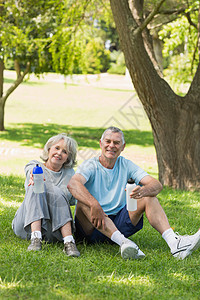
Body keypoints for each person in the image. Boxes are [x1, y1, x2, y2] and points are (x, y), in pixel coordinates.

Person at [67, 126, 200, 260]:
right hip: (91, 226)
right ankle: (125, 243)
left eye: (116, 143)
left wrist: (143, 191)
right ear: (101, 144)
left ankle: (174, 244)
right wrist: (94, 204)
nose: (111, 146)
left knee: (150, 197)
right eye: (108, 141)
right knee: (84, 203)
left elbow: (156, 185)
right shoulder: (91, 165)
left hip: (119, 222)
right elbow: (73, 184)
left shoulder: (126, 164)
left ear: (123, 146)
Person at [12, 133, 80, 257]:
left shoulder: (70, 174)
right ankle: (35, 238)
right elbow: (31, 171)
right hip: (25, 226)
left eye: (64, 151)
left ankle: (69, 242)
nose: (59, 153)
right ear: (49, 149)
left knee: (57, 192)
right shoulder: (34, 165)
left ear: (68, 157)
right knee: (36, 186)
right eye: (57, 148)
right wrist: (35, 175)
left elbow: (75, 200)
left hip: (53, 230)